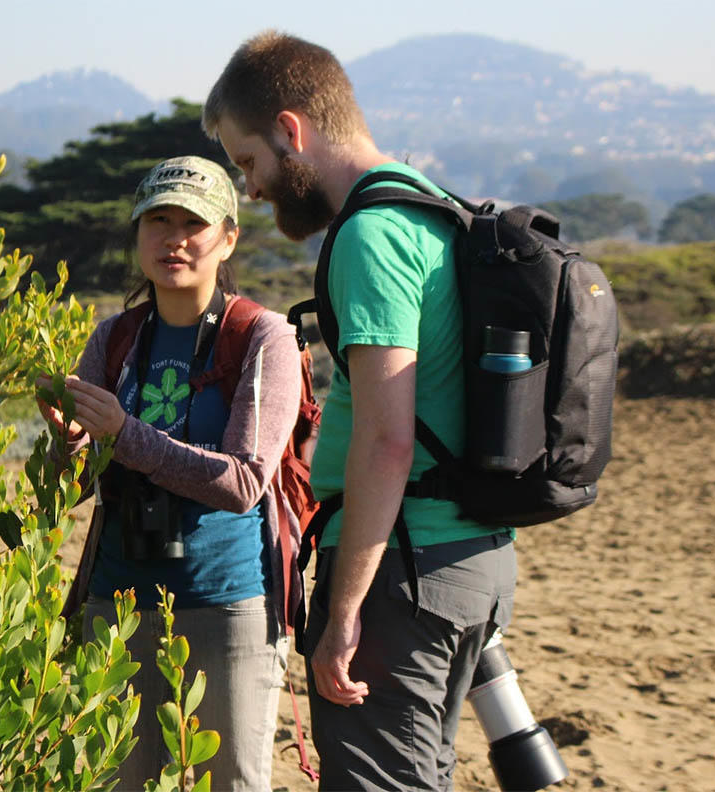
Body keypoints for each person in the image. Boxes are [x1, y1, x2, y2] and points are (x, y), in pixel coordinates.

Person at [203, 33, 517, 791]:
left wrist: (343, 615)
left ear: (291, 129)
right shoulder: (428, 203)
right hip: (469, 557)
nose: (249, 190)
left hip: (403, 567)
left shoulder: (369, 236)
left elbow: (386, 440)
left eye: (248, 162)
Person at [38, 155, 302, 791]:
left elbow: (244, 483)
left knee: (231, 783)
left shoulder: (263, 338)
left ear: (228, 237)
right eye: (158, 220)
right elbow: (65, 494)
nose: (174, 238)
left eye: (194, 222)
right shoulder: (117, 337)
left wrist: (124, 434)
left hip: (226, 603)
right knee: (116, 781)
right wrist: (67, 445)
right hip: (116, 602)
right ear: (137, 234)